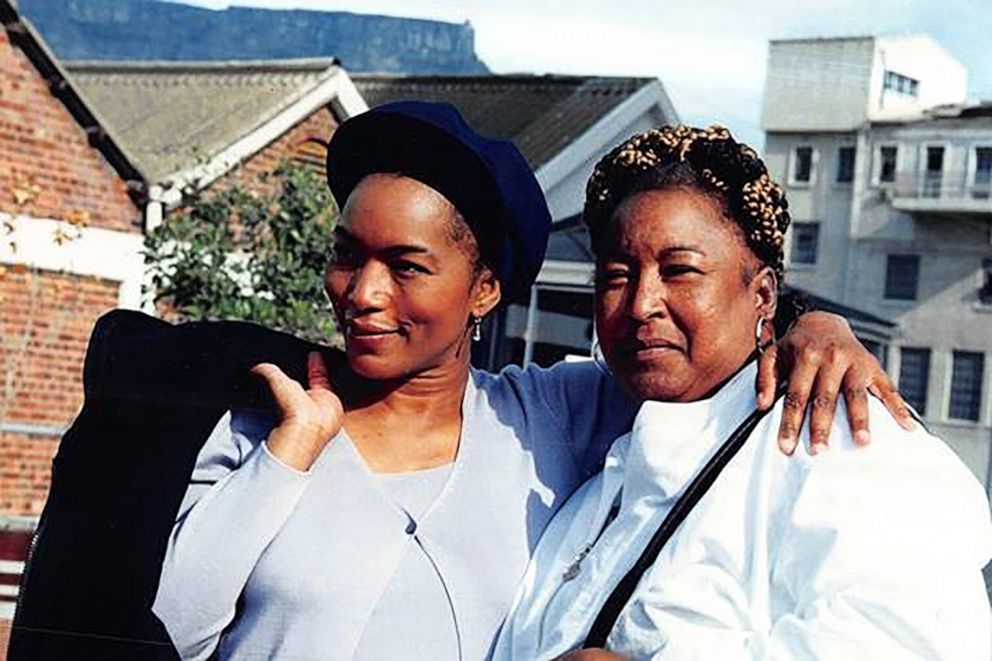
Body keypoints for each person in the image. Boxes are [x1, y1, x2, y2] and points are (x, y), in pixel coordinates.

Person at [151, 104, 910, 661]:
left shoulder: (551, 414)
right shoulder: (265, 425)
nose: (362, 292)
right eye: (348, 254)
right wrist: (288, 453)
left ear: (484, 290)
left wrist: (812, 327)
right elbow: (174, 628)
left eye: (407, 265)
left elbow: (701, 362)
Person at [493, 125, 992, 660]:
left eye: (680, 270)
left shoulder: (834, 437)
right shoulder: (598, 465)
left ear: (763, 293)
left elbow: (913, 644)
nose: (642, 304)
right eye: (617, 276)